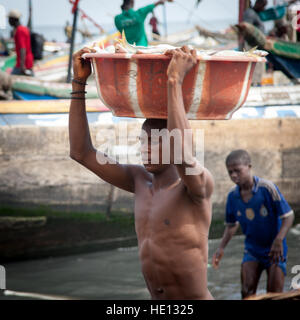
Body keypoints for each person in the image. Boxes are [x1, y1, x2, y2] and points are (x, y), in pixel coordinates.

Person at [69, 46, 214, 300]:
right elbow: (81, 153)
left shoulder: (196, 186)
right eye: (142, 140)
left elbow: (183, 155)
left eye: (154, 141)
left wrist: (174, 80)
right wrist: (79, 82)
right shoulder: (138, 181)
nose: (144, 148)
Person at [212, 150, 294, 299]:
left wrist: (278, 240)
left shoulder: (267, 189)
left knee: (275, 295)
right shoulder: (232, 196)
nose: (233, 175)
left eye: (237, 171)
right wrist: (221, 248)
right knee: (247, 293)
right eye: (230, 172)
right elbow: (231, 225)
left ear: (249, 167)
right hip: (252, 250)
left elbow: (288, 216)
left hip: (275, 250)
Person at [8, 9, 34, 76]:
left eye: (9, 19)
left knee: (10, 80)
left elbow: (23, 48)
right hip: (27, 61)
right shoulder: (24, 28)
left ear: (13, 19)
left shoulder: (20, 30)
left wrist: (22, 66)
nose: (8, 21)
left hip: (23, 63)